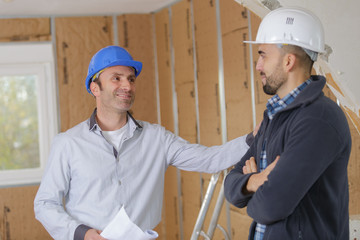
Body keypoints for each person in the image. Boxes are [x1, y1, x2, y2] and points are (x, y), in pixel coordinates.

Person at [34, 45, 256, 240]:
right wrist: (81, 233)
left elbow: (210, 160)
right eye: (117, 78)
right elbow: (45, 204)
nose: (128, 86)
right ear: (95, 88)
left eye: (131, 79)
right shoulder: (68, 143)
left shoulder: (156, 138)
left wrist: (254, 137)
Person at [224, 7, 351, 240]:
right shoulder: (275, 116)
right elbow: (230, 186)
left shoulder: (319, 119)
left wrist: (252, 191)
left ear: (288, 61)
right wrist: (256, 181)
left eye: (263, 55)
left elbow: (269, 207)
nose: (258, 66)